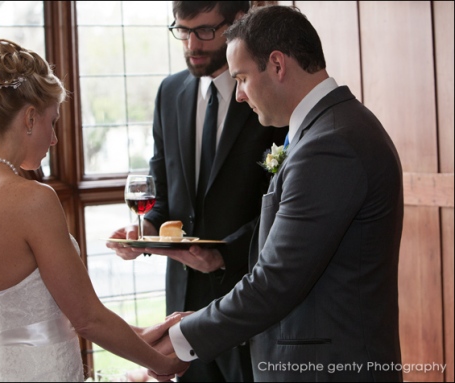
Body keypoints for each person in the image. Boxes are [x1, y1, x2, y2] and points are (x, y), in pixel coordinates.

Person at [150, 5, 404, 382]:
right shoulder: (328, 128)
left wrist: (184, 337)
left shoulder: (331, 144)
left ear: (278, 64)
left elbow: (276, 281)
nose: (238, 95)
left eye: (242, 78)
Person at [0, 39, 188, 382]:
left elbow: (47, 310)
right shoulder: (31, 198)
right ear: (29, 118)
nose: (54, 139)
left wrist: (142, 334)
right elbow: (87, 318)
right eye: (51, 121)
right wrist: (163, 365)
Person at [106, 1, 287, 382]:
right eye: (183, 31)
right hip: (183, 303)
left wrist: (224, 256)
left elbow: (284, 200)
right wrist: (148, 230)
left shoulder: (269, 95)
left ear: (238, 21)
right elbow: (163, 187)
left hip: (250, 297)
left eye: (205, 31)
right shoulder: (169, 92)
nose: (192, 45)